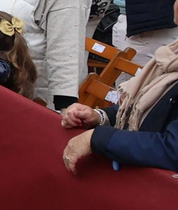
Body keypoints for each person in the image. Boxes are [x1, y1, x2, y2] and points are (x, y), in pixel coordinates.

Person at [61, 39, 178, 174]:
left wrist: (98, 138)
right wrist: (99, 117)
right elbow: (145, 111)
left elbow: (172, 150)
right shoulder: (172, 52)